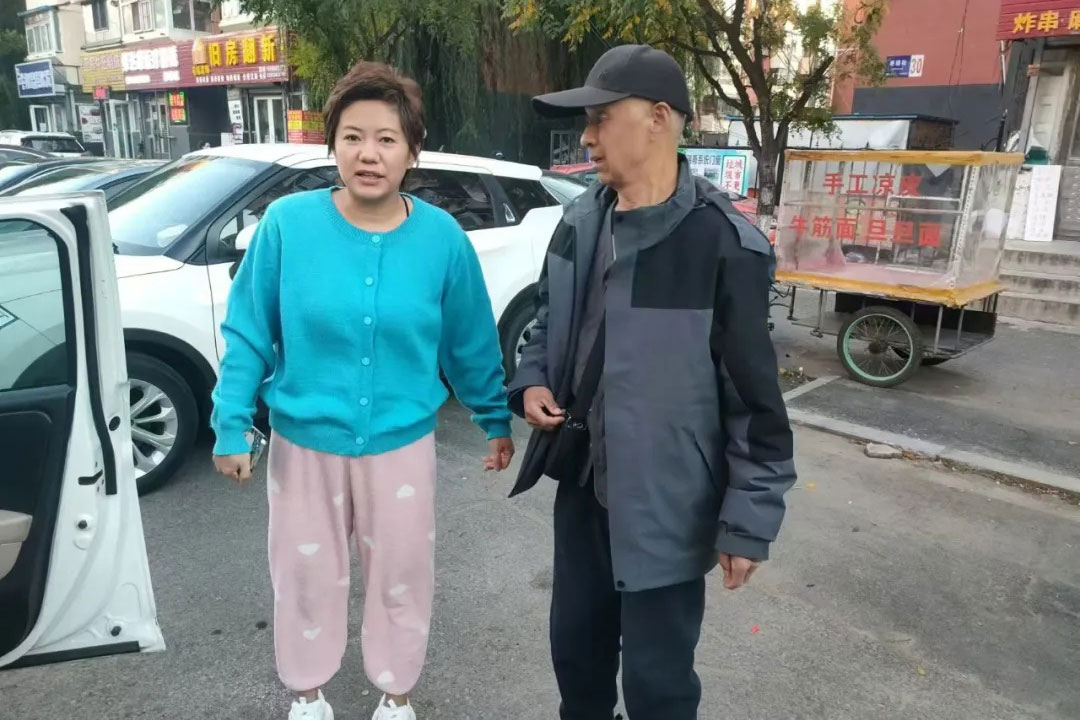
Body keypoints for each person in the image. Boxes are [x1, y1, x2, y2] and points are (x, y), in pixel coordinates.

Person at [210, 61, 515, 720]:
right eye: (352, 137)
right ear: (333, 146)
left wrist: (494, 417)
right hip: (303, 445)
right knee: (305, 575)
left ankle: (396, 695)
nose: (368, 154)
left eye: (386, 139)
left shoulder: (441, 239)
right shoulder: (288, 225)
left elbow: (469, 340)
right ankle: (308, 693)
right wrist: (230, 422)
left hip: (401, 446)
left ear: (412, 152)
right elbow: (249, 331)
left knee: (401, 573)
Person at [508, 44, 797, 720]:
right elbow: (548, 322)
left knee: (657, 685)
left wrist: (748, 521)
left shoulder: (723, 244)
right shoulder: (580, 221)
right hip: (582, 486)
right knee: (576, 661)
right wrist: (531, 380)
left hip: (670, 502)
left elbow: (755, 403)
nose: (587, 137)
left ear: (659, 118)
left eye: (602, 118)